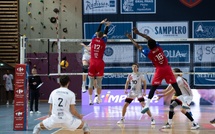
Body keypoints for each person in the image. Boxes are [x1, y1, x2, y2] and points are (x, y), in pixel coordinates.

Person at [126, 28, 189, 114]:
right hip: (167, 68)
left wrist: (131, 38)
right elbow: (148, 38)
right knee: (175, 86)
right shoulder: (158, 47)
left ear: (148, 46)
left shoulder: (149, 53)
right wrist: (138, 33)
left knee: (153, 87)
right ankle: (184, 103)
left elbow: (138, 46)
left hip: (159, 70)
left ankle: (147, 105)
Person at [88, 18, 111, 105]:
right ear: (102, 37)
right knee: (99, 83)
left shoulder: (93, 39)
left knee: (90, 83)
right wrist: (107, 27)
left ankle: (90, 100)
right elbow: (105, 34)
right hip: (99, 62)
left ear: (96, 35)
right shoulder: (103, 41)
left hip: (92, 62)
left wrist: (101, 24)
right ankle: (98, 99)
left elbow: (98, 33)